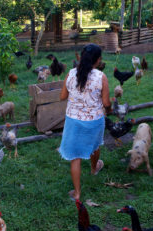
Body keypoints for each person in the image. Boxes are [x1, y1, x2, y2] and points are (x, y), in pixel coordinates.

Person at [59, 44, 111, 201]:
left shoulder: (70, 74)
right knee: (95, 145)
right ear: (97, 60)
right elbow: (106, 103)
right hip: (94, 121)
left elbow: (62, 97)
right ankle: (94, 169)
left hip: (73, 121)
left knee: (75, 158)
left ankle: (77, 193)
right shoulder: (101, 77)